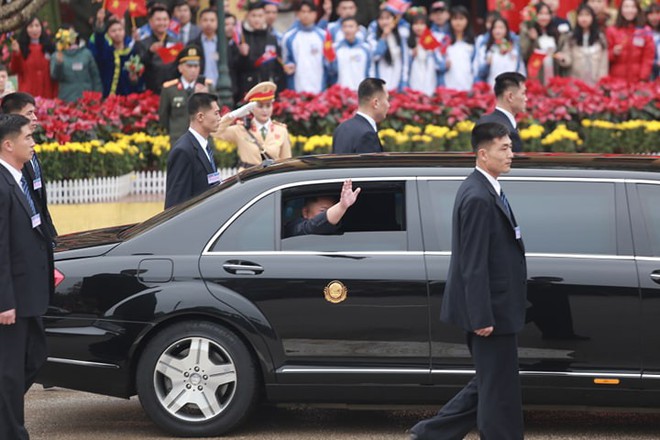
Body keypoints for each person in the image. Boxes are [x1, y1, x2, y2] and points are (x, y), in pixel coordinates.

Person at [409, 122, 527, 440]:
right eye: (504, 148)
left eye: (510, 147)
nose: (511, 154)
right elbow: (472, 263)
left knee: (492, 381)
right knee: (495, 389)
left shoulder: (487, 188)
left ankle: (430, 434)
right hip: (490, 312)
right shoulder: (477, 196)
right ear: (483, 153)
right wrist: (481, 316)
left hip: (498, 307)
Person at [0, 113, 51, 440]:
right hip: (12, 299)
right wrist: (4, 302)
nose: (33, 143)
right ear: (8, 144)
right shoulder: (2, 186)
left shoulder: (18, 178)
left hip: (30, 291)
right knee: (10, 373)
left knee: (35, 357)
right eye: (27, 137)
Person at [1, 92, 57, 243]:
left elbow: (40, 204)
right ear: (12, 117)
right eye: (29, 113)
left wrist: (51, 235)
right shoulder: (12, 160)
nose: (35, 118)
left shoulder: (29, 149)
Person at [215, 81, 292, 171]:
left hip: (272, 178)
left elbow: (287, 162)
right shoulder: (240, 129)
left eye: (268, 105)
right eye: (260, 106)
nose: (265, 110)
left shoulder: (281, 130)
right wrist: (232, 115)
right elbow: (215, 131)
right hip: (248, 178)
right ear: (251, 108)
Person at [165, 92, 222, 209]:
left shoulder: (204, 145)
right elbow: (175, 203)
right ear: (200, 117)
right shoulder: (183, 151)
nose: (219, 118)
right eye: (216, 113)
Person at [159, 45, 211, 146]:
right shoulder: (170, 89)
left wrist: (205, 97)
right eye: (189, 66)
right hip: (178, 141)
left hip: (202, 141)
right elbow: (163, 117)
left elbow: (216, 113)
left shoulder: (208, 87)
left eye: (196, 66)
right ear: (180, 68)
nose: (193, 70)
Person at [89, 10, 143, 97]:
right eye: (113, 31)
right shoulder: (106, 51)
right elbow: (99, 40)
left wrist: (134, 79)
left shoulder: (131, 52)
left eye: (120, 30)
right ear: (108, 34)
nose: (117, 33)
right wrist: (100, 22)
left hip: (128, 97)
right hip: (108, 97)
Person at [235, 1, 282, 99]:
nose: (257, 19)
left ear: (264, 17)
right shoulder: (242, 37)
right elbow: (235, 67)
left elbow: (277, 64)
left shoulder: (271, 38)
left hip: (268, 88)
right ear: (247, 16)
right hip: (247, 89)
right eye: (254, 15)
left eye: (260, 16)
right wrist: (243, 56)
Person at [283, 179, 361, 238]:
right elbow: (312, 227)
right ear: (305, 212)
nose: (332, 213)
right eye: (323, 211)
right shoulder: (294, 227)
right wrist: (342, 206)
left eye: (332, 210)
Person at [332, 77, 389, 154]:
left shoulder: (341, 128)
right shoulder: (368, 135)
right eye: (387, 99)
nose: (388, 105)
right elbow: (372, 166)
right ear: (376, 103)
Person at [283, 0, 328, 93]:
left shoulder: (324, 36)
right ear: (298, 14)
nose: (306, 15)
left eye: (309, 12)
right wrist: (288, 66)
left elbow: (329, 62)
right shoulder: (289, 37)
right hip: (297, 89)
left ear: (315, 14)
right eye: (303, 11)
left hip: (319, 89)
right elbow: (285, 60)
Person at [556, 4, 608, 85]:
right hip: (576, 82)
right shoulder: (571, 37)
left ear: (592, 18)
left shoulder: (600, 37)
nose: (584, 19)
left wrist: (602, 82)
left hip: (596, 82)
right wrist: (562, 58)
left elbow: (603, 64)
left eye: (587, 15)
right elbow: (568, 59)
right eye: (581, 15)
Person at [135, 3, 181, 94]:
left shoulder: (176, 42)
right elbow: (138, 66)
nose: (162, 23)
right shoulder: (143, 43)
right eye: (158, 20)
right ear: (150, 22)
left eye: (165, 19)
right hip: (150, 91)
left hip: (172, 90)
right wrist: (150, 52)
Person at [477, 72, 527, 153]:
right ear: (510, 97)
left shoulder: (482, 121)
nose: (526, 98)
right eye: (523, 93)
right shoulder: (507, 131)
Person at [605, 0, 654, 82]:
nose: (629, 10)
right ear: (621, 10)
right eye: (626, 7)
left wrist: (643, 78)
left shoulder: (645, 30)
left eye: (633, 7)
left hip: (638, 80)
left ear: (637, 9)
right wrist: (613, 53)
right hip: (616, 81)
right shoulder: (612, 30)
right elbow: (604, 56)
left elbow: (648, 58)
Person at [50, 26, 103, 103]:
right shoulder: (57, 55)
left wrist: (97, 97)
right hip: (66, 99)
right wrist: (59, 64)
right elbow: (55, 77)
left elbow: (95, 77)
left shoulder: (86, 53)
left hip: (87, 99)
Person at [9, 16, 58, 99]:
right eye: (31, 26)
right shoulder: (21, 47)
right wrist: (16, 53)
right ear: (26, 29)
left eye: (37, 25)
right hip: (28, 94)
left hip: (48, 93)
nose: (34, 29)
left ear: (41, 27)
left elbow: (56, 72)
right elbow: (15, 69)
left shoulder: (49, 47)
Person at [520, 2, 564, 85]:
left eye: (547, 14)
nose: (544, 17)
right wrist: (532, 40)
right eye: (540, 13)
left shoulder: (555, 32)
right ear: (534, 15)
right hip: (536, 74)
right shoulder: (527, 31)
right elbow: (524, 54)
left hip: (553, 72)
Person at [368, 7, 410, 92]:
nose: (385, 22)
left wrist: (404, 81)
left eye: (388, 18)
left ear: (394, 19)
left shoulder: (401, 35)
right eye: (381, 19)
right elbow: (376, 56)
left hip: (397, 75)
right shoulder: (373, 36)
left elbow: (405, 59)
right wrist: (384, 36)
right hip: (381, 76)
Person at [475, 17, 526, 88]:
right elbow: (480, 73)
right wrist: (487, 64)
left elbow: (520, 69)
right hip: (492, 87)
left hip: (512, 88)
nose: (497, 31)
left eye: (501, 27)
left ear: (507, 30)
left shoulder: (514, 48)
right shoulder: (486, 48)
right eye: (495, 28)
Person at [439, 6, 477, 91]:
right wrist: (444, 65)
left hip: (468, 85)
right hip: (449, 85)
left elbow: (475, 65)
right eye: (455, 19)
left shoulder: (473, 41)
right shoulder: (445, 40)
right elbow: (439, 63)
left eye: (461, 19)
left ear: (467, 20)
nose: (458, 22)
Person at [331, 16, 371, 91]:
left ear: (358, 29)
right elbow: (332, 72)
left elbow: (370, 71)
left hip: (360, 93)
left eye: (351, 26)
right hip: (341, 92)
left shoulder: (366, 48)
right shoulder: (335, 48)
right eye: (345, 26)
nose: (348, 30)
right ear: (341, 29)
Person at [407, 7, 440, 96]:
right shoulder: (408, 42)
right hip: (414, 77)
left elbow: (439, 63)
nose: (418, 27)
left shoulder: (432, 39)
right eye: (416, 24)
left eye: (422, 24)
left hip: (429, 77)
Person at [190, 8, 221, 89]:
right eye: (205, 20)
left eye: (212, 20)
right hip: (200, 87)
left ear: (217, 22)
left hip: (220, 87)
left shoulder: (223, 44)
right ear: (199, 22)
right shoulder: (193, 44)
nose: (208, 23)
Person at [648, 3, 660, 80]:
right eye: (651, 14)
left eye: (657, 13)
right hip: (647, 72)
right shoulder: (642, 32)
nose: (654, 17)